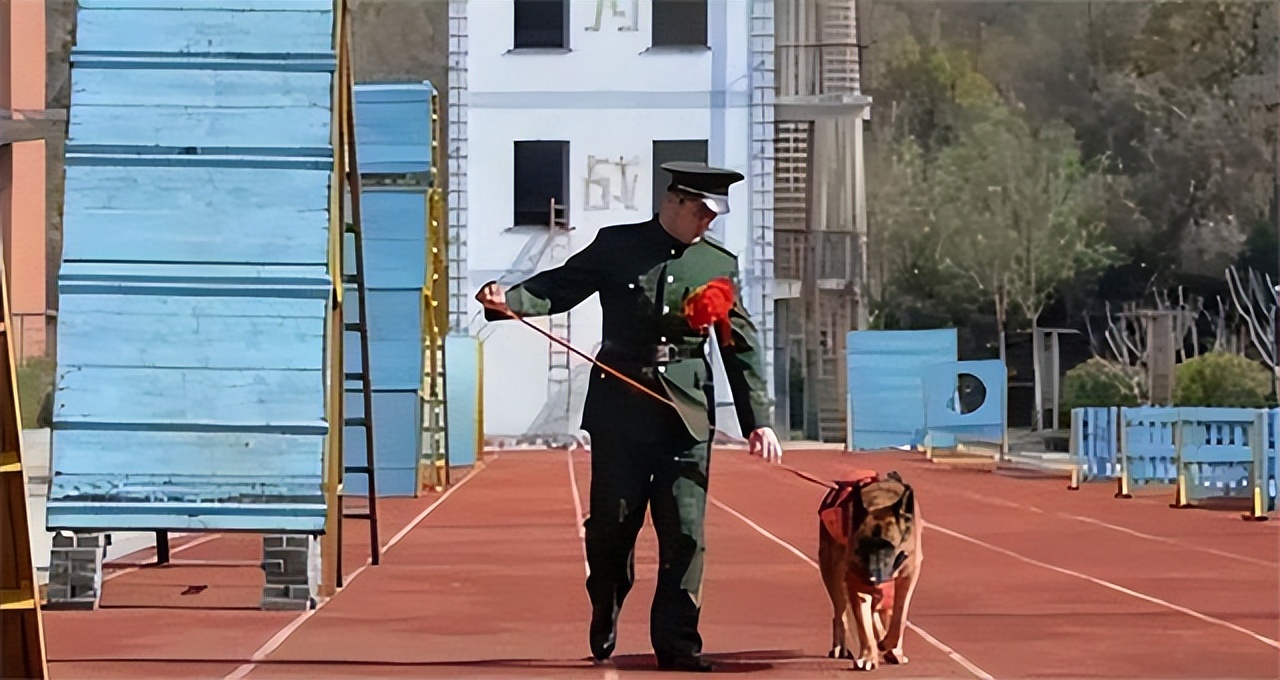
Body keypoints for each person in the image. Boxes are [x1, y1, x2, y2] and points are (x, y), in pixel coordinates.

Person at [476, 161, 783, 672]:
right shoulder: (616, 246)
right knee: (612, 532)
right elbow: (561, 285)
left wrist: (759, 420)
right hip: (621, 410)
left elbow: (739, 346)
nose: (708, 222)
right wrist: (508, 299)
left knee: (685, 533)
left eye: (714, 215)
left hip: (685, 416)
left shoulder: (716, 265)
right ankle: (607, 602)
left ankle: (678, 643)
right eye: (702, 212)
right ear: (674, 202)